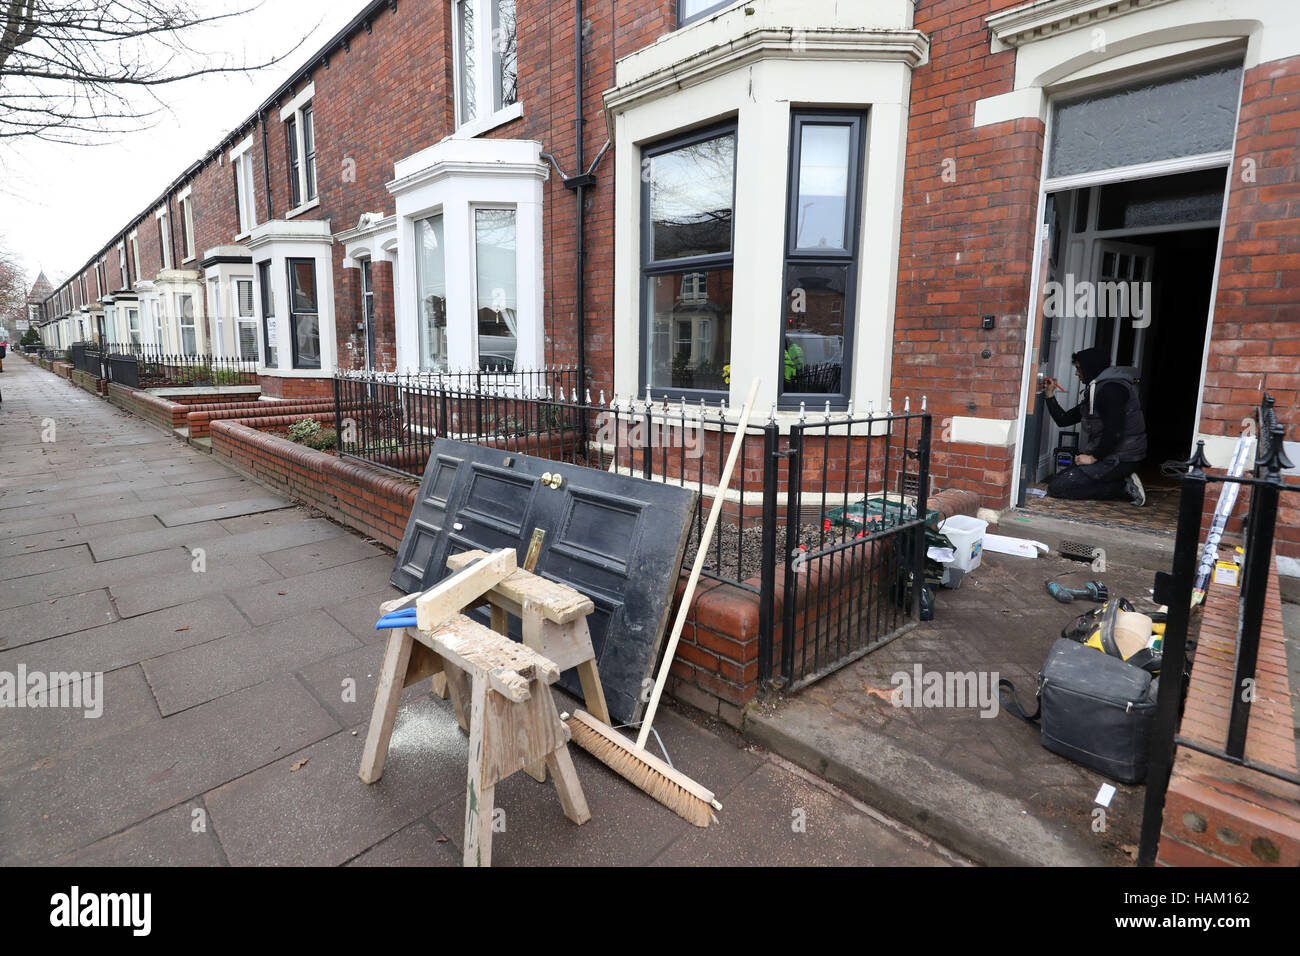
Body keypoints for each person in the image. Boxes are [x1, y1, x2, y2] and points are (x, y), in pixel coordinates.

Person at [1039, 346, 1147, 505]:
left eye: (1078, 368)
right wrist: (1050, 395)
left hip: (1121, 459)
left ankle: (1123, 488)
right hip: (1109, 457)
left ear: (1090, 368)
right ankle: (1120, 480)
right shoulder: (1096, 390)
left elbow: (1114, 432)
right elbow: (1064, 420)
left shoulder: (1111, 390)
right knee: (1058, 480)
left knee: (1058, 488)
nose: (1076, 373)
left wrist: (1092, 457)